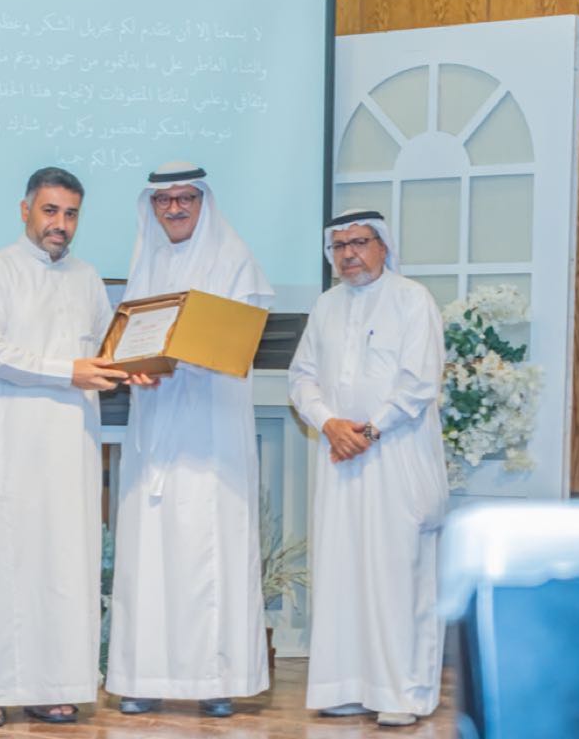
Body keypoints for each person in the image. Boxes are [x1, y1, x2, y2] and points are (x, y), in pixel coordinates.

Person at [105, 161, 275, 718]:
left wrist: (185, 349)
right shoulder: (146, 262)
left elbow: (238, 340)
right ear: (151, 206)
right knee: (148, 551)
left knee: (211, 547)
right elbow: (130, 340)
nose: (174, 209)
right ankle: (143, 677)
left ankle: (215, 679)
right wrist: (134, 366)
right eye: (164, 200)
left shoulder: (235, 260)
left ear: (204, 202)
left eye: (185, 199)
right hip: (155, 425)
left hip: (211, 428)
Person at [0, 167, 126, 728]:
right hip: (13, 442)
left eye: (71, 214)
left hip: (72, 443)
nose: (61, 224)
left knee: (65, 561)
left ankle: (56, 686)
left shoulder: (87, 277)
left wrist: (135, 366)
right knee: (6, 559)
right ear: (25, 210)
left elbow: (107, 349)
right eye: (50, 211)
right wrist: (67, 371)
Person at [287, 209, 448, 728]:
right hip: (339, 457)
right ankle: (346, 687)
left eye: (359, 243)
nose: (349, 254)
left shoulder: (412, 299)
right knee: (342, 571)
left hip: (396, 456)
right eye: (340, 247)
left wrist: (370, 431)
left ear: (383, 246)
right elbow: (301, 378)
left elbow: (419, 382)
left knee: (398, 572)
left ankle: (403, 693)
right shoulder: (325, 306)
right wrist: (329, 423)